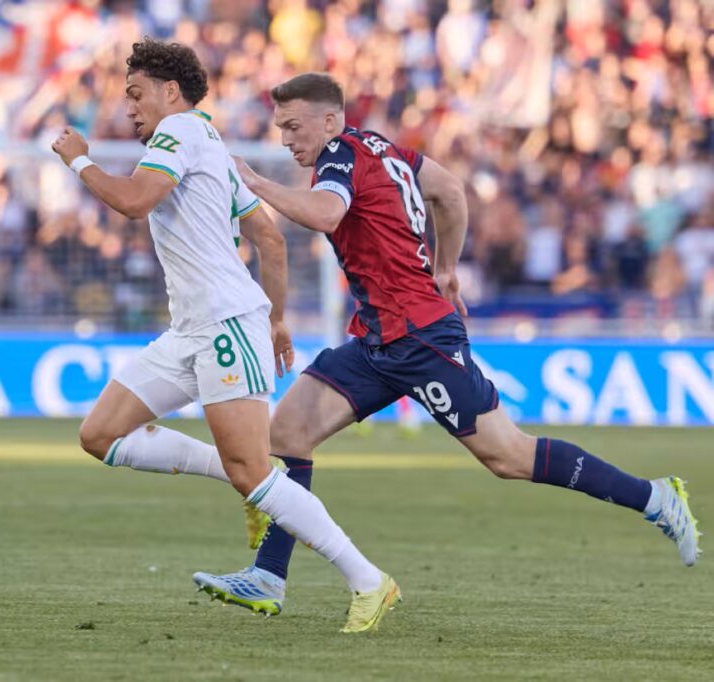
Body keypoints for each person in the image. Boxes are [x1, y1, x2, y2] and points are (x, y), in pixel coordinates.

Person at [192, 72, 701, 621]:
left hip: (420, 338)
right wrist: (446, 269)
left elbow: (326, 213)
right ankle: (268, 576)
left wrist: (252, 180)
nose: (286, 139)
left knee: (509, 456)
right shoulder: (384, 149)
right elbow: (450, 191)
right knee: (288, 432)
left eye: (294, 126)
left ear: (331, 121)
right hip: (377, 339)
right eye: (281, 128)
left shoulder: (338, 155)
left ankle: (655, 497)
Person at [51, 42, 400, 633]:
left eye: (136, 94)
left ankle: (368, 581)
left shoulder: (180, 132)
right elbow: (269, 238)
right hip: (192, 328)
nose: (129, 108)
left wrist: (79, 161)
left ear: (170, 92)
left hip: (224, 324)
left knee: (253, 473)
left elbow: (135, 202)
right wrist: (278, 319)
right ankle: (252, 480)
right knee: (101, 435)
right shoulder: (209, 142)